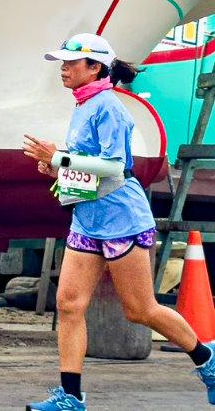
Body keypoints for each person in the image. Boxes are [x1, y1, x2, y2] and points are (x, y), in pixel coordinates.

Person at [22, 33, 215, 410]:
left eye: (70, 63)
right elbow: (88, 170)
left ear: (94, 68)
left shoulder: (108, 106)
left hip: (122, 219)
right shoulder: (84, 105)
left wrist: (59, 158)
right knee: (70, 305)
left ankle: (208, 362)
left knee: (140, 310)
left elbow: (115, 167)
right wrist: (56, 169)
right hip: (87, 219)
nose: (63, 69)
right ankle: (71, 397)